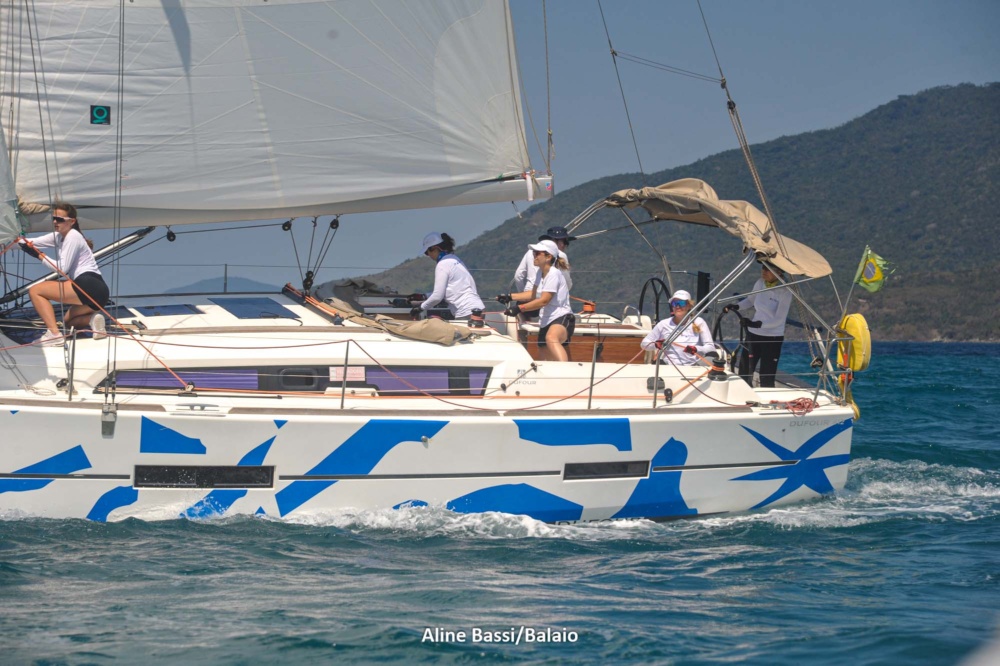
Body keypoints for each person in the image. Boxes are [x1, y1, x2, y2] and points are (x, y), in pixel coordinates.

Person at [20, 202, 109, 346]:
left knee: (36, 291)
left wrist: (39, 255)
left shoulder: (73, 236)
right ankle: (92, 320)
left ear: (72, 221)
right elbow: (30, 242)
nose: (55, 222)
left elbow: (62, 268)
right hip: (100, 292)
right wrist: (11, 240)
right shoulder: (59, 236)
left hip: (87, 284)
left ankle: (54, 335)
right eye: (54, 218)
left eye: (60, 219)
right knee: (68, 323)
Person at [502, 239, 574, 361]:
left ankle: (564, 370)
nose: (533, 255)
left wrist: (519, 308)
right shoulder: (540, 273)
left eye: (537, 253)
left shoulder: (553, 274)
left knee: (551, 338)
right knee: (543, 356)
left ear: (548, 257)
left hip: (562, 317)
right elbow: (532, 295)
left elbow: (544, 301)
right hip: (546, 320)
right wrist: (509, 296)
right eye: (533, 253)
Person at [726, 262, 794, 388]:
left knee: (766, 375)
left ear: (779, 272)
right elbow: (750, 300)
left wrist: (757, 324)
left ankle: (767, 398)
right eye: (763, 267)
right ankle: (744, 395)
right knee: (744, 370)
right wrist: (737, 306)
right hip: (753, 334)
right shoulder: (760, 283)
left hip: (772, 338)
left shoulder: (786, 290)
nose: (763, 271)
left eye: (767, 269)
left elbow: (779, 320)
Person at [413, 232, 484, 319]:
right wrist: (424, 296)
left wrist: (420, 308)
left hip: (464, 311)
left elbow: (437, 297)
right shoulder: (454, 259)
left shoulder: (442, 264)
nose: (429, 256)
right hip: (477, 307)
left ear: (434, 248)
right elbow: (449, 289)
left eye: (427, 253)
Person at [640, 289, 714, 365]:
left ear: (689, 306)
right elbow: (644, 344)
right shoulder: (663, 324)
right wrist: (655, 344)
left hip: (694, 366)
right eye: (674, 303)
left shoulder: (699, 322)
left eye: (681, 303)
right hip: (669, 366)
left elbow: (711, 348)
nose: (678, 306)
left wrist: (696, 349)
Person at [513, 226, 574, 292]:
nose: (565, 245)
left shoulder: (530, 251)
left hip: (528, 292)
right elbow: (566, 282)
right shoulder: (561, 255)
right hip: (546, 294)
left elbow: (518, 276)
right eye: (565, 242)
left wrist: (522, 293)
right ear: (556, 241)